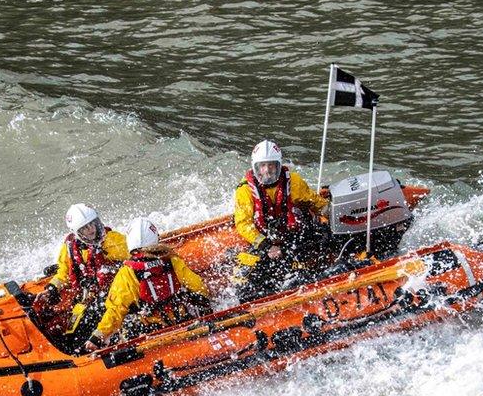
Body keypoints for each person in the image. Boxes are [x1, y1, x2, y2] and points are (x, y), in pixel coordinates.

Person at [84, 217, 209, 351]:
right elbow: (198, 287)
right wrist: (204, 306)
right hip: (180, 318)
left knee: (127, 322)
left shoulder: (127, 273)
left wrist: (98, 336)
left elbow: (116, 310)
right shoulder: (172, 260)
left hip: (149, 327)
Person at [232, 139, 330, 301]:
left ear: (278, 165)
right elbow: (243, 225)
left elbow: (317, 203)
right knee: (243, 286)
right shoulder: (244, 191)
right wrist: (267, 246)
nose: (267, 170)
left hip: (292, 237)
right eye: (262, 166)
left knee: (302, 275)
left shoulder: (294, 182)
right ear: (255, 167)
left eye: (271, 165)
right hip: (263, 242)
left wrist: (333, 215)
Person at [37, 203, 129, 347]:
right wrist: (52, 288)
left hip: (113, 293)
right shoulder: (70, 248)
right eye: (85, 228)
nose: (91, 229)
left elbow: (133, 256)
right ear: (77, 232)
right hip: (87, 298)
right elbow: (64, 272)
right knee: (72, 336)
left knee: (96, 325)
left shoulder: (113, 241)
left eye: (92, 224)